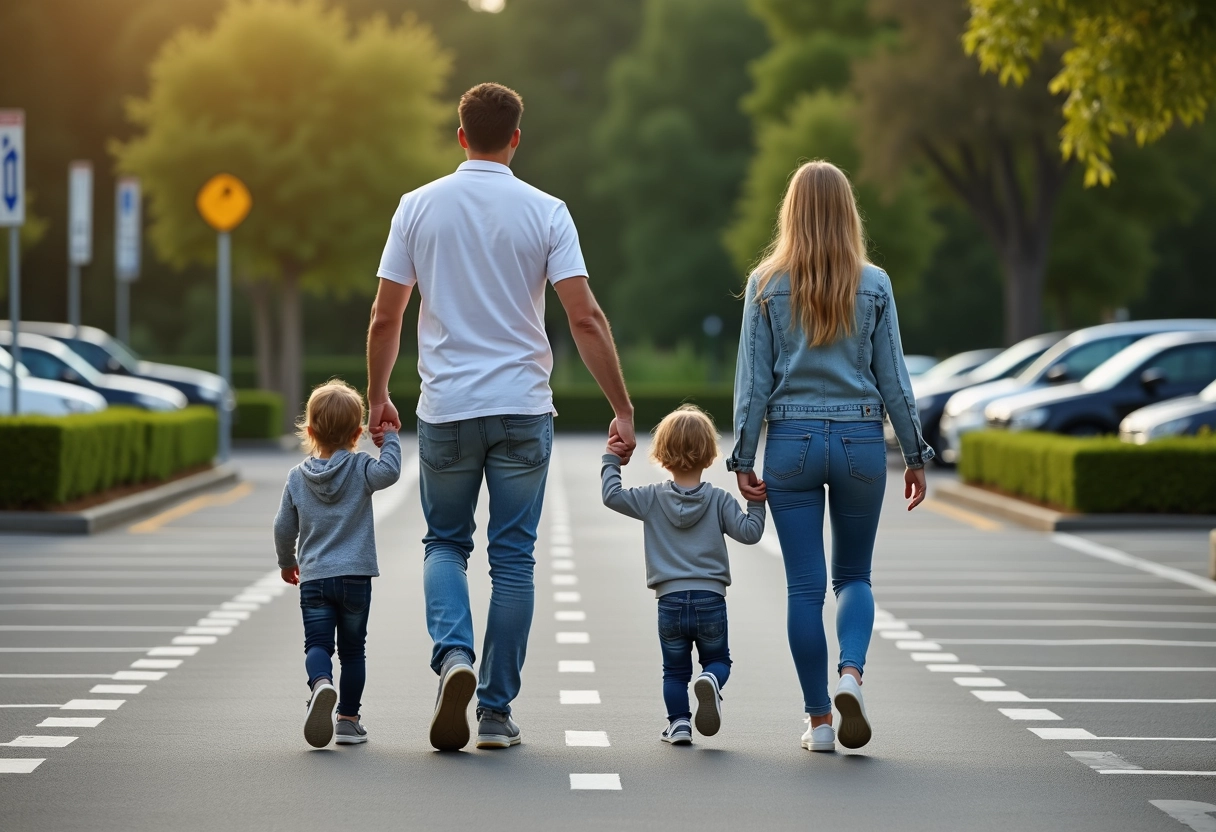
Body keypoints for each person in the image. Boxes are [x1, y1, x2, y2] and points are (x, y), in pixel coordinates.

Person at [366, 82, 635, 752]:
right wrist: (623, 408)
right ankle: (493, 711)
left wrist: (377, 396)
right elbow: (583, 317)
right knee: (513, 560)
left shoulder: (417, 208)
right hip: (522, 409)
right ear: (516, 137)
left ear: (461, 136)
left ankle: (453, 655)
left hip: (448, 410)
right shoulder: (547, 212)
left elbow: (386, 316)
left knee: (445, 544)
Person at [728, 160, 931, 753]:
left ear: (790, 212)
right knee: (855, 577)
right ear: (849, 213)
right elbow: (893, 377)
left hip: (791, 443)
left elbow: (754, 383)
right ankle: (852, 676)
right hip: (861, 442)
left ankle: (819, 724)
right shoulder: (875, 283)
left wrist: (743, 454)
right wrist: (915, 453)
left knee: (804, 589)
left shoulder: (765, 284)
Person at [601, 405, 765, 745]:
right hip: (711, 598)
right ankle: (711, 680)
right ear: (708, 456)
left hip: (670, 601)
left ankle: (678, 725)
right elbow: (750, 532)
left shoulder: (650, 498)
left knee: (674, 671)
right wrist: (757, 502)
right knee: (718, 660)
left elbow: (611, 496)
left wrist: (611, 459)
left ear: (661, 454)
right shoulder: (719, 500)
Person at [273, 380, 402, 748]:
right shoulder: (361, 468)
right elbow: (389, 472)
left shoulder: (297, 477)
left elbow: (283, 526)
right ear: (358, 432)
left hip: (314, 577)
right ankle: (348, 719)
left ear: (310, 431)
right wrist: (389, 437)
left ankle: (320, 684)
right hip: (355, 578)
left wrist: (287, 561)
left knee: (317, 644)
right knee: (353, 650)